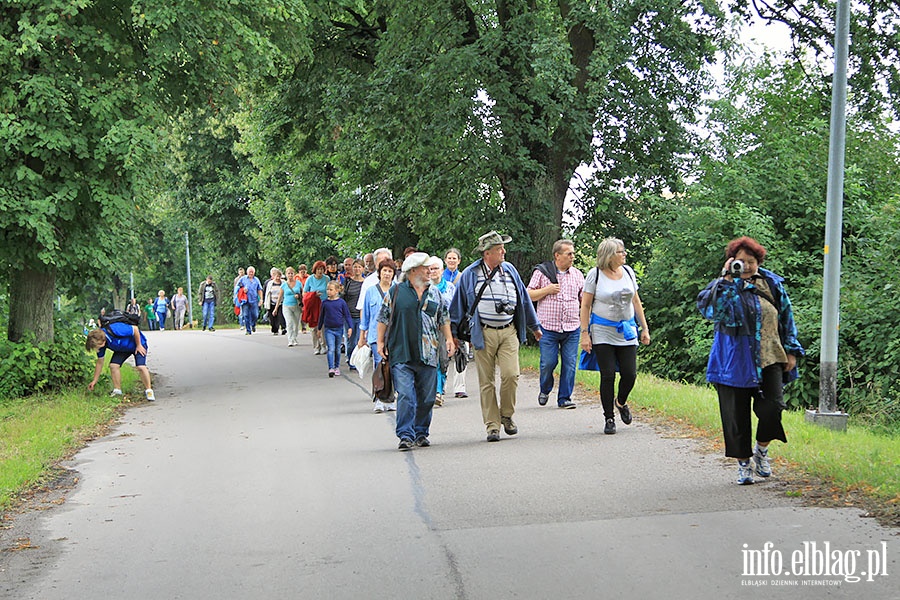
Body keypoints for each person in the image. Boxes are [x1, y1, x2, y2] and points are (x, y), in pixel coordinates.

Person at [697, 236, 804, 485]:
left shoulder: (772, 284)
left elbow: (787, 318)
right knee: (736, 416)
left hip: (770, 357)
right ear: (731, 261)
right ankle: (743, 464)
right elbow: (711, 311)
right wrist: (726, 279)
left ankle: (761, 451)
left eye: (750, 261)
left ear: (758, 262)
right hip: (734, 361)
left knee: (773, 408)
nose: (745, 266)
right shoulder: (723, 286)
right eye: (740, 261)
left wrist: (791, 351)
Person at [450, 231, 542, 442]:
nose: (504, 252)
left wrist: (534, 326)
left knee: (511, 375)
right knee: (486, 382)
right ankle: (492, 425)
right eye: (500, 249)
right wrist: (454, 335)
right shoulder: (470, 274)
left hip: (509, 330)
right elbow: (457, 306)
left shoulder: (510, 270)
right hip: (482, 332)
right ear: (487, 253)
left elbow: (524, 299)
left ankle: (507, 416)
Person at [377, 252, 455, 450]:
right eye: (425, 268)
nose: (430, 271)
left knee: (427, 397)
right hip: (401, 351)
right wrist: (379, 343)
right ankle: (405, 434)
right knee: (405, 395)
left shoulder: (435, 292)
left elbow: (443, 318)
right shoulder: (396, 292)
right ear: (412, 271)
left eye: (430, 268)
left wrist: (448, 339)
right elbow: (383, 318)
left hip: (429, 353)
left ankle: (421, 432)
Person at [579, 237, 650, 435]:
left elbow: (636, 301)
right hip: (602, 330)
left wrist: (644, 327)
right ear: (610, 255)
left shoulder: (628, 272)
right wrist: (585, 333)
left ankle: (621, 402)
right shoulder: (595, 275)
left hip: (626, 329)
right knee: (608, 374)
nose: (624, 254)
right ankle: (609, 417)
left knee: (630, 373)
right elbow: (585, 305)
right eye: (621, 251)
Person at [528, 239, 585, 409]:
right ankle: (545, 389)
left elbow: (584, 301)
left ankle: (564, 398)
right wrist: (547, 290)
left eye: (573, 253)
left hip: (572, 327)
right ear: (557, 255)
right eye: (569, 254)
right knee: (548, 363)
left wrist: (585, 326)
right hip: (548, 328)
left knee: (569, 363)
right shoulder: (542, 272)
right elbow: (528, 295)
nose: (572, 257)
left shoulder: (577, 275)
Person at [358, 259, 398, 413]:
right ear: (379, 273)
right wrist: (362, 337)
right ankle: (379, 398)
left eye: (390, 271)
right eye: (384, 271)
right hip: (375, 336)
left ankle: (390, 398)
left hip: (394, 335)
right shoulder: (371, 291)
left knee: (394, 367)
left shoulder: (397, 290)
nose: (387, 274)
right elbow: (366, 317)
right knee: (379, 366)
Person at [86, 321, 155, 401]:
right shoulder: (101, 345)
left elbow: (135, 329)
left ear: (102, 340)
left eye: (98, 345)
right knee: (113, 366)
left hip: (137, 344)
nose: (97, 348)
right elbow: (100, 362)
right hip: (123, 349)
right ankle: (117, 390)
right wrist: (94, 380)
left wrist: (139, 345)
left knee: (141, 366)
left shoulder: (115, 329)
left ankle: (149, 390)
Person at [427, 256, 455, 407]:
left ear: (442, 270)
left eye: (435, 268)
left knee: (443, 360)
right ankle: (435, 392)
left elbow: (455, 309)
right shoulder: (424, 288)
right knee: (431, 359)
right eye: (430, 269)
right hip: (428, 330)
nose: (433, 271)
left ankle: (440, 388)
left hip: (445, 329)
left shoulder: (450, 287)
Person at [318, 281, 353, 377]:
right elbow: (321, 316)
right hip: (328, 329)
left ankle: (337, 366)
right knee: (331, 349)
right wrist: (319, 328)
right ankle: (331, 368)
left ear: (337, 291)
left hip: (339, 329)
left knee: (337, 349)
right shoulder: (325, 303)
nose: (328, 292)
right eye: (327, 290)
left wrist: (350, 327)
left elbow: (347, 315)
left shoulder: (341, 303)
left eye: (331, 290)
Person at [342, 259, 365, 369]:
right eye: (355, 267)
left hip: (361, 315)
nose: (357, 269)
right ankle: (350, 358)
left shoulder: (366, 283)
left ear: (363, 269)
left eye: (359, 267)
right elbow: (343, 297)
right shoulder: (348, 282)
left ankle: (355, 361)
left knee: (358, 339)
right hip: (348, 315)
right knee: (350, 339)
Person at [303, 261, 329, 353]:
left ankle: (323, 345)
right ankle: (316, 346)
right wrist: (313, 295)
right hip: (313, 306)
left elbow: (329, 290)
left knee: (322, 326)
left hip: (324, 305)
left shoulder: (326, 279)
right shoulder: (310, 279)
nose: (320, 271)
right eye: (318, 269)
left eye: (322, 269)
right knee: (314, 327)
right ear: (315, 270)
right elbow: (305, 293)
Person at [276, 267, 303, 347]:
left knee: (296, 324)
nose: (290, 275)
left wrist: (299, 296)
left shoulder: (298, 283)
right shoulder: (284, 285)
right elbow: (280, 297)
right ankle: (290, 339)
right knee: (289, 323)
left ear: (294, 274)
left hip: (297, 306)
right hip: (286, 306)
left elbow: (303, 294)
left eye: (292, 273)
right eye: (288, 273)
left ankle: (294, 337)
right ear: (286, 274)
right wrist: (276, 308)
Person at [234, 266, 264, 335]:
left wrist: (261, 299)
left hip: (254, 300)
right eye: (249, 272)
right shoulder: (243, 279)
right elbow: (237, 288)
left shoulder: (256, 280)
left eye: (252, 272)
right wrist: (242, 289)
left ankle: (253, 325)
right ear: (247, 272)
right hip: (245, 300)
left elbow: (259, 289)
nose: (251, 273)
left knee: (255, 315)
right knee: (245, 315)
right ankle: (248, 330)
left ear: (254, 272)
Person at [264, 268, 286, 335]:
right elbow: (267, 293)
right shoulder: (270, 283)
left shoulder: (283, 283)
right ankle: (275, 329)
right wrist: (265, 302)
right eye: (277, 276)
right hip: (272, 302)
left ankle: (283, 328)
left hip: (281, 302)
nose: (278, 278)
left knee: (281, 315)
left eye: (279, 276)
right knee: (273, 317)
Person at [297, 264, 310, 332]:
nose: (303, 273)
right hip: (298, 296)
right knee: (299, 311)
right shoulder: (296, 278)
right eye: (301, 272)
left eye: (304, 272)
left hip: (306, 296)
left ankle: (304, 326)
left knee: (304, 311)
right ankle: (297, 325)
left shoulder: (309, 277)